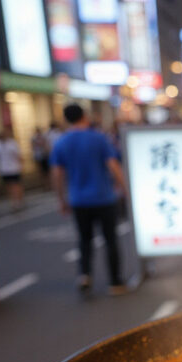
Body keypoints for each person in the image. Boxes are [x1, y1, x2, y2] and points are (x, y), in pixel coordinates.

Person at [50, 103, 127, 295]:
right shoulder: (98, 138)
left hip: (78, 200)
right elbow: (113, 166)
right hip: (104, 197)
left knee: (84, 240)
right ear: (84, 116)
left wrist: (61, 198)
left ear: (66, 119)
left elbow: (57, 174)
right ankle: (115, 282)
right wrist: (126, 189)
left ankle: (85, 274)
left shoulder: (62, 142)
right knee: (110, 240)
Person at [0, 127, 24, 210]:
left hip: (14, 168)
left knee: (15, 185)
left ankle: (18, 201)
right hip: (3, 169)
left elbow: (18, 155)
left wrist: (20, 165)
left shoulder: (12, 143)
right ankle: (13, 201)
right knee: (8, 186)